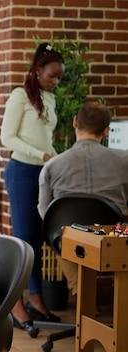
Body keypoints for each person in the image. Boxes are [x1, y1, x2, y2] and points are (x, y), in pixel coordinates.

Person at [0, 42, 65, 337]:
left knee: (38, 239)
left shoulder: (49, 99)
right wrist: (42, 157)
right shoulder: (20, 96)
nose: (56, 81)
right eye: (52, 76)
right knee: (24, 241)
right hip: (22, 173)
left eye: (59, 77)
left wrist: (56, 159)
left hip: (44, 174)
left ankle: (36, 299)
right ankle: (15, 304)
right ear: (38, 71)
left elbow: (45, 140)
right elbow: (7, 138)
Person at [38, 101, 128, 296]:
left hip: (70, 242)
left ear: (75, 122)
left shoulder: (51, 166)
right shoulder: (125, 161)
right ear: (106, 131)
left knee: (60, 232)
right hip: (113, 239)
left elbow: (45, 212)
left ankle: (81, 295)